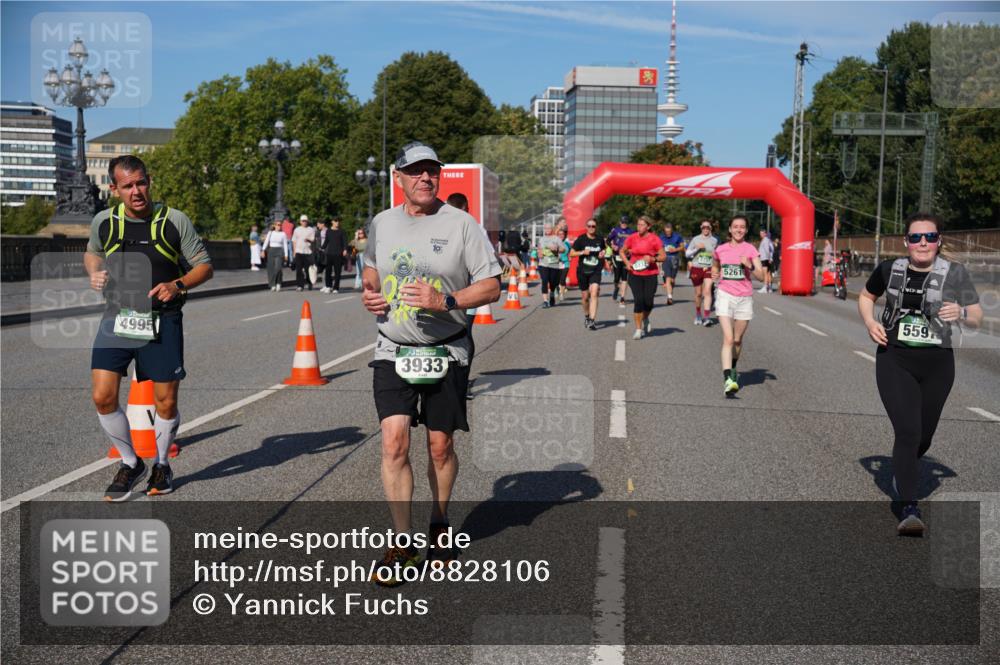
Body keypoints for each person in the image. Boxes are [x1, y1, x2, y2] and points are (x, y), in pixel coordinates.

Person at [362, 142, 501, 584]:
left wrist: (447, 300)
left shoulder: (462, 225)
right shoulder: (381, 224)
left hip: (447, 349)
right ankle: (402, 541)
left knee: (440, 447)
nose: (425, 178)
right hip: (393, 348)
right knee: (393, 442)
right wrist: (369, 291)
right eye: (416, 171)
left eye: (432, 171)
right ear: (398, 177)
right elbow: (370, 269)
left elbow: (493, 286)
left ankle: (439, 521)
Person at [85, 155, 213, 500]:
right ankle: (131, 463)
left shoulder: (174, 221)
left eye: (141, 182)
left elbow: (204, 266)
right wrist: (94, 270)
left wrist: (179, 285)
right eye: (127, 186)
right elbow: (92, 252)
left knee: (165, 402)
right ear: (114, 189)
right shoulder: (104, 221)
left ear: (149, 180)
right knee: (102, 396)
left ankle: (161, 464)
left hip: (163, 319)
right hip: (117, 316)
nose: (136, 191)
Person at [857, 212, 982, 536]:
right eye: (915, 237)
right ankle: (908, 506)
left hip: (939, 364)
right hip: (895, 360)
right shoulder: (889, 270)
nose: (922, 243)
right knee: (908, 431)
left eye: (929, 237)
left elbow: (978, 317)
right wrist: (871, 323)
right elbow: (866, 296)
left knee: (923, 437)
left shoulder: (955, 274)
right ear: (906, 242)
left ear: (938, 241)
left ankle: (904, 466)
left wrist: (963, 311)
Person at [711, 216, 764, 396]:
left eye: (742, 227)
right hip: (725, 294)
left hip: (744, 298)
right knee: (728, 338)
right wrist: (715, 272)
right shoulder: (721, 249)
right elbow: (715, 264)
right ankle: (728, 380)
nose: (739, 230)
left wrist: (749, 265)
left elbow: (762, 277)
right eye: (735, 227)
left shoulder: (750, 249)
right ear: (730, 229)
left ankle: (733, 367)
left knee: (737, 340)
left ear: (746, 230)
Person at [621, 216, 665, 339]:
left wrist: (653, 259)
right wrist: (627, 263)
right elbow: (622, 251)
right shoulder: (632, 237)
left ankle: (645, 318)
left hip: (650, 274)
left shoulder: (654, 239)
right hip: (635, 274)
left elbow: (663, 256)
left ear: (648, 227)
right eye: (638, 224)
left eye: (642, 225)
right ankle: (638, 329)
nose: (639, 227)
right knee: (639, 300)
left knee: (649, 302)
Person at [570, 218, 607, 330]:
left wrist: (603, 253)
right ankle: (587, 316)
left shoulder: (600, 239)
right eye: (589, 226)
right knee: (585, 297)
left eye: (593, 226)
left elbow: (604, 250)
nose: (591, 228)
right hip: (583, 271)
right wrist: (582, 252)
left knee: (594, 293)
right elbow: (571, 253)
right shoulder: (581, 239)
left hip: (595, 270)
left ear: (596, 227)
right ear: (586, 227)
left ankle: (592, 320)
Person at [686, 220, 719, 326]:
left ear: (710, 228)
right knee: (699, 293)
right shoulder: (695, 239)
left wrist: (717, 267)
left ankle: (707, 317)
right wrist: (696, 248)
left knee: (707, 291)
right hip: (696, 267)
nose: (705, 229)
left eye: (708, 227)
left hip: (708, 267)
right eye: (704, 227)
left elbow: (717, 255)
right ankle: (698, 314)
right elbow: (687, 254)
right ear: (701, 228)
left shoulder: (714, 240)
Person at [608, 215, 635, 307]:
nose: (624, 224)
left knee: (624, 278)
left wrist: (631, 250)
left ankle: (622, 298)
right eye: (623, 222)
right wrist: (612, 246)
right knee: (616, 278)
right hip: (616, 256)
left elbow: (635, 243)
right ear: (620, 222)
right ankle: (616, 288)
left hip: (626, 257)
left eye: (626, 223)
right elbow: (608, 240)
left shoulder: (632, 232)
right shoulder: (615, 230)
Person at [317, 218, 347, 293]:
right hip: (330, 253)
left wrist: (345, 249)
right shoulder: (328, 231)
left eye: (338, 221)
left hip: (338, 254)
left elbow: (344, 241)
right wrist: (321, 248)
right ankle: (328, 286)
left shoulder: (341, 231)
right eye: (336, 221)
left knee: (337, 272)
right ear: (332, 222)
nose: (337, 222)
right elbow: (326, 241)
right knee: (328, 271)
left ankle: (336, 288)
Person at [659, 221, 685, 305]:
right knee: (668, 278)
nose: (668, 233)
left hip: (675, 259)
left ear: (672, 230)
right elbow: (658, 247)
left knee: (672, 280)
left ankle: (670, 292)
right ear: (664, 230)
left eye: (669, 231)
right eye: (666, 231)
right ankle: (669, 297)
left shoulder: (677, 236)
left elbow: (682, 247)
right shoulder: (661, 237)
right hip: (665, 258)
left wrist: (675, 249)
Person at [536, 223, 562, 308]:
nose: (547, 230)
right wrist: (539, 253)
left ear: (552, 229)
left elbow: (563, 249)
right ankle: (545, 301)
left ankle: (552, 294)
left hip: (554, 264)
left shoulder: (557, 239)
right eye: (546, 228)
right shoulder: (541, 239)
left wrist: (556, 249)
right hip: (543, 264)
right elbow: (539, 249)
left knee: (553, 282)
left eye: (549, 228)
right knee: (544, 281)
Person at [291, 214, 316, 291]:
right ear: (300, 221)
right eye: (303, 221)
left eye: (305, 221)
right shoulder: (297, 230)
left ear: (307, 221)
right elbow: (294, 241)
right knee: (298, 269)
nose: (304, 222)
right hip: (299, 252)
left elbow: (313, 240)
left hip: (307, 252)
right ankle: (300, 285)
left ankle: (309, 283)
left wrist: (308, 239)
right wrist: (294, 251)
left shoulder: (311, 229)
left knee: (308, 269)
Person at [261, 220, 286, 291]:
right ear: (274, 225)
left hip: (280, 251)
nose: (279, 226)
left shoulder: (283, 234)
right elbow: (266, 242)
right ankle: (272, 284)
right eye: (278, 225)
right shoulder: (270, 233)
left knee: (278, 268)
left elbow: (285, 245)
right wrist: (263, 250)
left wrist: (286, 255)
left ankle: (278, 283)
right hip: (271, 250)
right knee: (271, 268)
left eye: (280, 225)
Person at [556, 227, 571, 301]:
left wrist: (570, 257)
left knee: (562, 279)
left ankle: (561, 294)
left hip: (565, 264)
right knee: (556, 279)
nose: (561, 235)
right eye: (559, 234)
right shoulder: (555, 243)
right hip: (556, 264)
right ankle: (556, 290)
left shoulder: (567, 244)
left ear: (565, 235)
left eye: (562, 234)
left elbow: (571, 252)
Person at [757, 229, 774, 293]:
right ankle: (769, 288)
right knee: (768, 273)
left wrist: (769, 258)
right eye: (760, 233)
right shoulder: (767, 240)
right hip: (767, 258)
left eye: (761, 233)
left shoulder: (765, 240)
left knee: (765, 273)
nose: (760, 234)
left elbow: (767, 250)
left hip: (765, 258)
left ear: (765, 233)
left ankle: (765, 287)